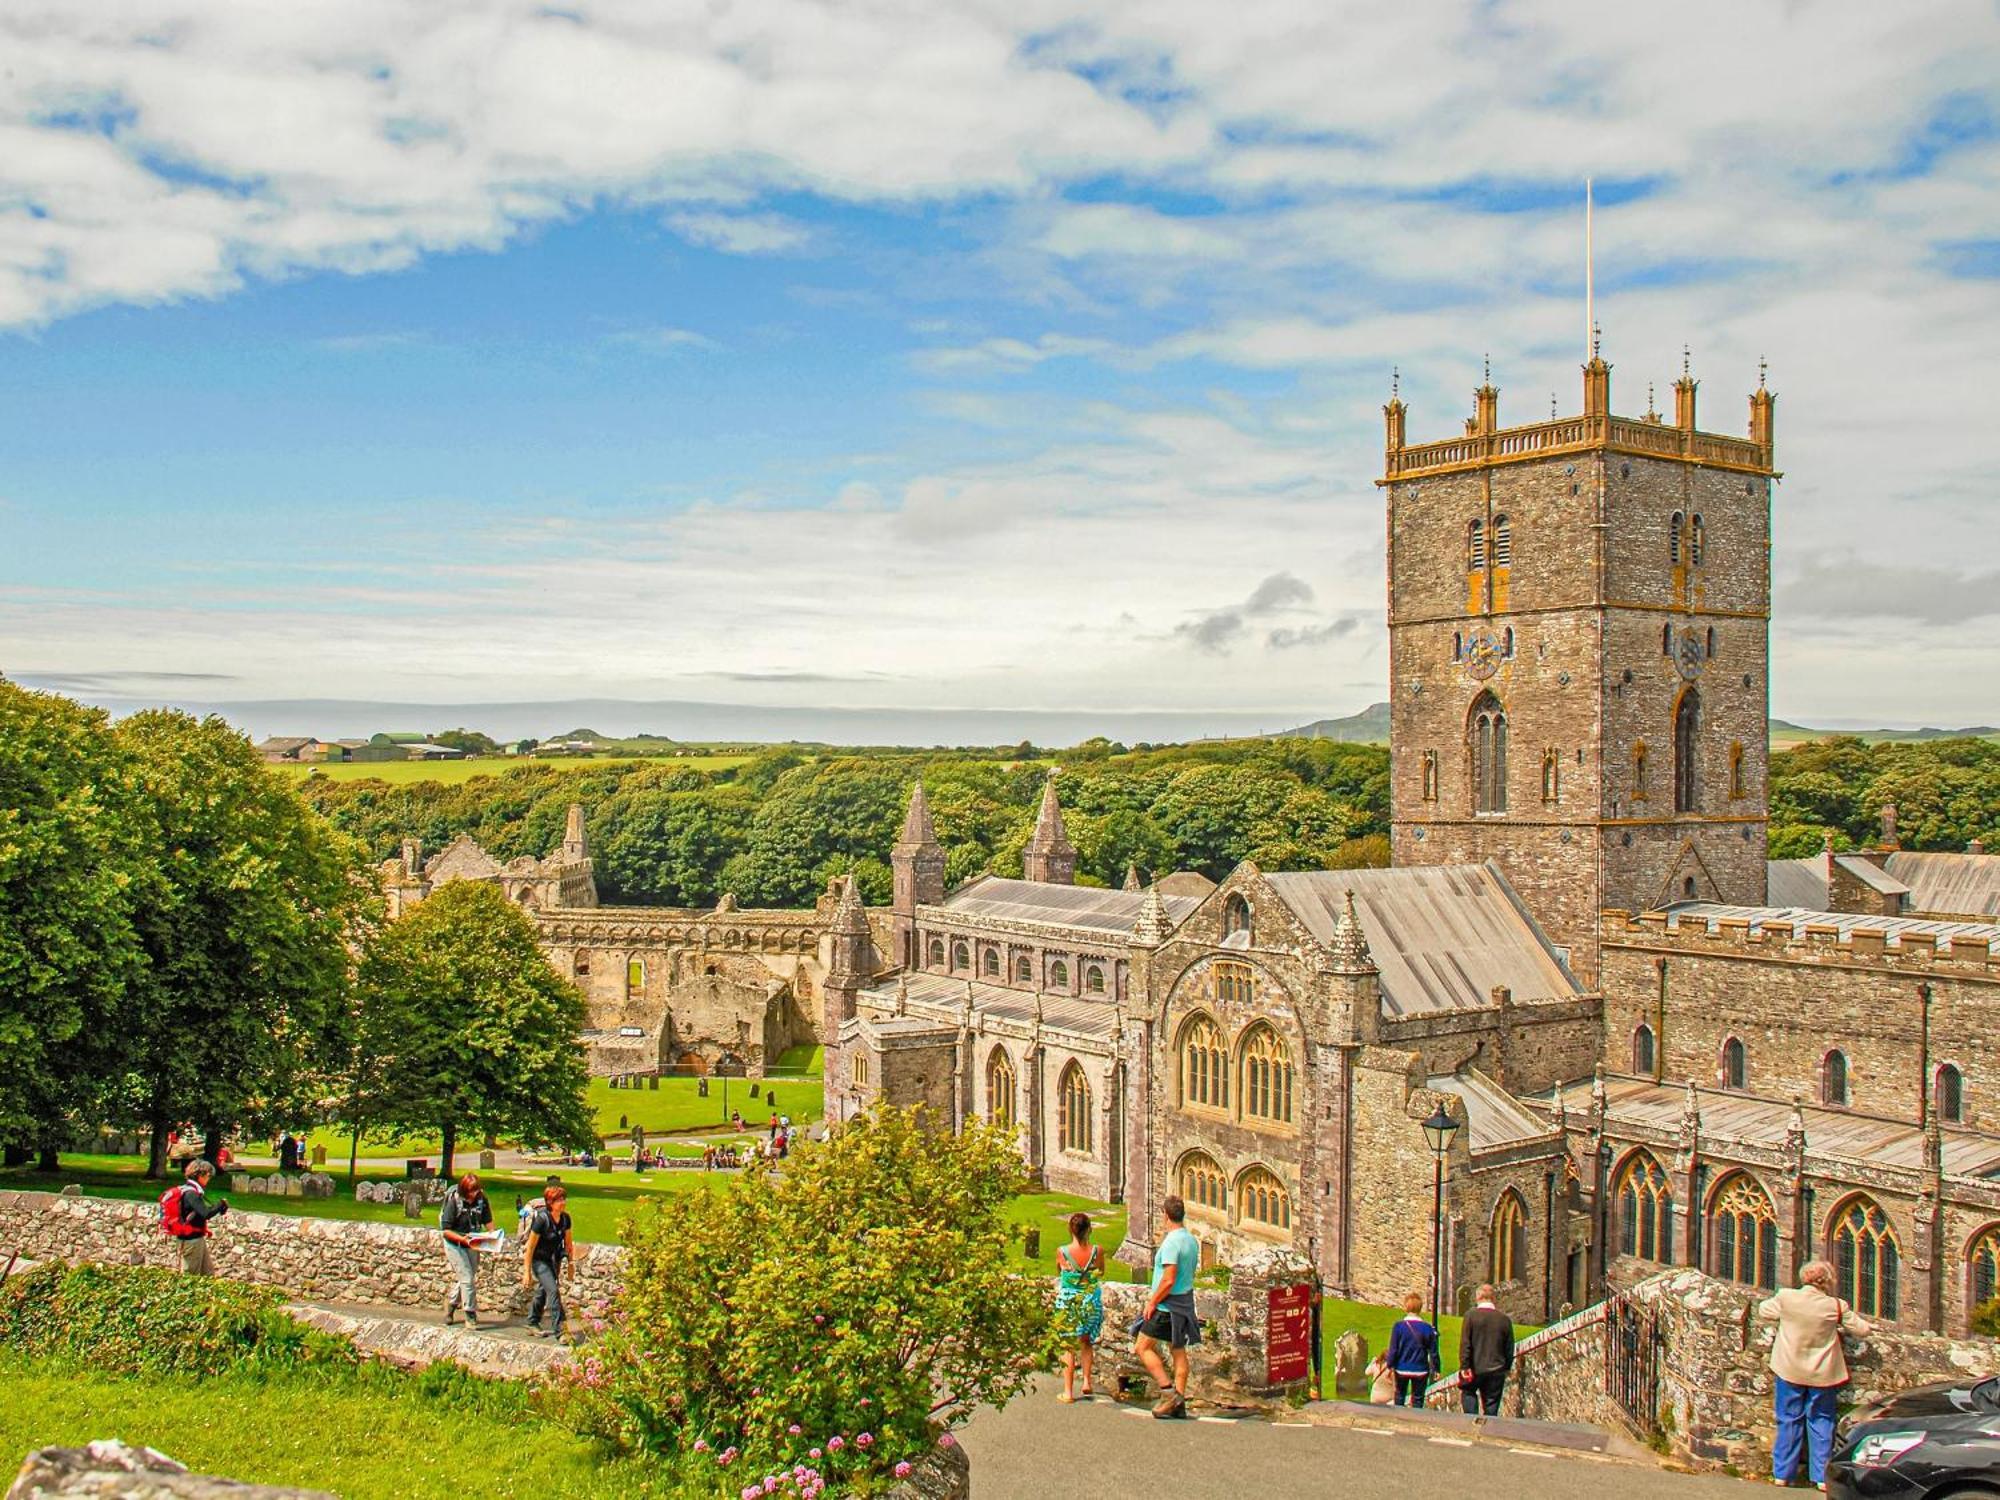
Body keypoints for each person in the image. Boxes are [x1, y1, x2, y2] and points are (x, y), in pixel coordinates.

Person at [1759, 1259, 1870, 1489]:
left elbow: (1764, 1311)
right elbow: (1862, 1330)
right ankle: (1821, 1477)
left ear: (1803, 1278)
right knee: (1821, 1422)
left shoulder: (1787, 1297)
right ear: (1827, 1282)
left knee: (1788, 1419)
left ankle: (1783, 1474)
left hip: (1789, 1368)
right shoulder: (1836, 1306)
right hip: (1822, 1373)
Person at [1134, 1196, 1202, 1419]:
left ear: (1165, 1214)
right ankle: (1179, 1403)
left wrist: (1153, 1301)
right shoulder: (1191, 1240)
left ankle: (1168, 1392)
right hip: (1185, 1303)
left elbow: (1169, 1278)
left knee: (1142, 1347)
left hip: (1167, 1306)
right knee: (1178, 1351)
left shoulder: (1172, 1242)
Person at [1053, 1211, 1105, 1403]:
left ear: (1070, 1230)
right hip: (1090, 1300)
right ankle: (1086, 1383)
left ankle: (1068, 1392)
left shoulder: (1062, 1251)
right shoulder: (1097, 1251)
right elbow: (1101, 1271)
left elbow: (1059, 1270)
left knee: (1068, 1346)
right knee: (1086, 1342)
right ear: (1089, 1229)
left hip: (1069, 1302)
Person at [520, 1183, 576, 1340]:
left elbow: (569, 1244)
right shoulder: (542, 1220)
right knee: (553, 1291)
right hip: (539, 1261)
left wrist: (571, 1264)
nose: (563, 1202)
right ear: (550, 1202)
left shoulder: (565, 1219)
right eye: (559, 1200)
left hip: (554, 1260)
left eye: (564, 1199)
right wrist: (527, 1273)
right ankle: (561, 1331)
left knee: (543, 1290)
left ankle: (532, 1321)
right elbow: (530, 1248)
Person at [440, 1172, 493, 1329]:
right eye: (471, 1191)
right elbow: (446, 1230)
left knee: (466, 1278)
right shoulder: (454, 1201)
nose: (474, 1194)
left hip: (473, 1242)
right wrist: (462, 1239)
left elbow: (487, 1220)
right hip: (455, 1243)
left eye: (476, 1190)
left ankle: (450, 1305)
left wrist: (492, 1237)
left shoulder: (482, 1199)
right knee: (467, 1278)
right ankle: (470, 1315)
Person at [163, 1159, 228, 1276]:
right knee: (190, 1277)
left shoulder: (189, 1190)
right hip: (191, 1241)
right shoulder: (191, 1194)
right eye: (208, 1175)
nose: (209, 1179)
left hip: (197, 1239)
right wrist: (220, 1204)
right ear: (200, 1175)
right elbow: (205, 1213)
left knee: (207, 1274)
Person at [1457, 1283, 1514, 1416]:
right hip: (1496, 1368)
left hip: (1474, 1368)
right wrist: (1507, 1367)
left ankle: (1472, 1425)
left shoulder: (1470, 1316)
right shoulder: (1504, 1320)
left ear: (1478, 1297)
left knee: (1469, 1393)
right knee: (1491, 1403)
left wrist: (1464, 1366)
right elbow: (1509, 1347)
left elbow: (1466, 1343)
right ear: (1494, 1298)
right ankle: (1489, 1431)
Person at [1385, 1292, 1440, 1407]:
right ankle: (1416, 1421)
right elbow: (1433, 1352)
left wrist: (1389, 1366)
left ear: (1406, 1307)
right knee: (1418, 1400)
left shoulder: (1399, 1326)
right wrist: (1437, 1369)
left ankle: (1399, 1421)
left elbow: (1393, 1349)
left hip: (1402, 1368)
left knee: (1399, 1396)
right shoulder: (1427, 1328)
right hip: (1420, 1369)